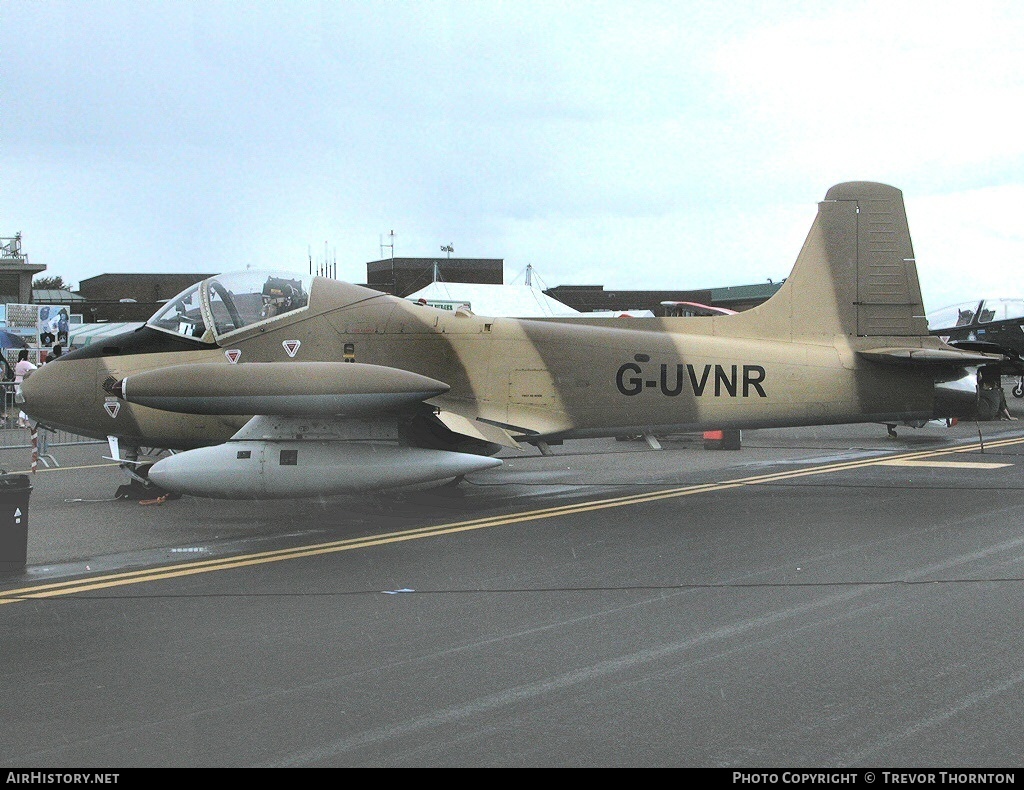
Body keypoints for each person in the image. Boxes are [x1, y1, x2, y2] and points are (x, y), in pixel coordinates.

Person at [14, 349, 37, 428]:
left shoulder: (18, 363)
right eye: (28, 354)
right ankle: (22, 419)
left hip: (17, 383)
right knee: (26, 402)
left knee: (24, 402)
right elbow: (35, 369)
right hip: (23, 384)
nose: (29, 356)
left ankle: (25, 420)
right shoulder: (25, 363)